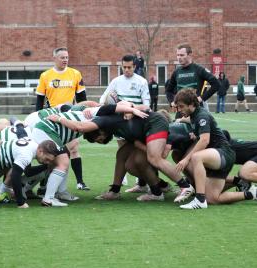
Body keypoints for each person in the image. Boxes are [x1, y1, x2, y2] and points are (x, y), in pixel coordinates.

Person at [52, 107, 196, 204]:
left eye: (99, 138)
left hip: (154, 123)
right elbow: (96, 105)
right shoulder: (109, 121)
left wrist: (59, 119)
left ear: (99, 131)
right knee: (124, 157)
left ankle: (185, 186)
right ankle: (116, 191)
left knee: (153, 158)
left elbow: (80, 127)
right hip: (145, 131)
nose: (102, 141)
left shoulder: (103, 120)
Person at [36, 47, 89, 190]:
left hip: (69, 117)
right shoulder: (45, 76)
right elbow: (39, 100)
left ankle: (80, 182)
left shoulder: (75, 74)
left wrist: (83, 115)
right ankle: (43, 184)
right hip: (51, 118)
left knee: (74, 149)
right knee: (50, 150)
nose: (65, 60)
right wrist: (38, 117)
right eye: (62, 57)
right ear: (54, 58)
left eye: (66, 57)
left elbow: (82, 98)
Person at [174, 88, 237, 209]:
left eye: (181, 107)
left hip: (224, 153)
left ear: (191, 104)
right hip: (217, 156)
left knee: (196, 157)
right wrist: (180, 120)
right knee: (213, 198)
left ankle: (200, 200)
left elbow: (204, 140)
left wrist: (186, 159)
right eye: (178, 107)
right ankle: (250, 193)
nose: (179, 110)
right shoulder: (193, 115)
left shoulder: (201, 115)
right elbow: (190, 120)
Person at [99, 54, 150, 186]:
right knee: (122, 148)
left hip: (137, 122)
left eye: (129, 67)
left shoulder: (141, 81)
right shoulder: (116, 81)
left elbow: (147, 105)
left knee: (139, 152)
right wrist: (106, 103)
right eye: (124, 67)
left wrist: (131, 109)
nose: (126, 70)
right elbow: (104, 98)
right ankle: (124, 177)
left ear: (134, 66)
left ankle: (142, 183)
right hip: (121, 121)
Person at [166, 43, 219, 110]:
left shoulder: (199, 69)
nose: (179, 58)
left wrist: (202, 98)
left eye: (182, 55)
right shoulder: (176, 72)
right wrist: (172, 102)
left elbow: (216, 84)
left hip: (196, 111)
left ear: (189, 55)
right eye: (178, 55)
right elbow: (168, 91)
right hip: (181, 112)